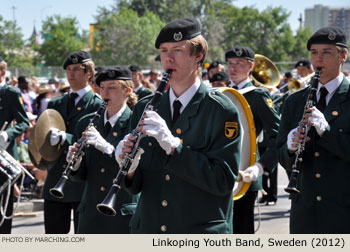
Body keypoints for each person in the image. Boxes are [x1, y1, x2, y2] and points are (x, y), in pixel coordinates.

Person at [115, 17, 241, 234]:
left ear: (198, 55)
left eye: (177, 50)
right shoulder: (145, 107)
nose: (168, 58)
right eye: (164, 51)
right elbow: (138, 186)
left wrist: (175, 148)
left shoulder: (221, 110)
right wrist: (130, 169)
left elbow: (223, 181)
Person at [276, 27, 349, 233]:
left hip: (342, 211)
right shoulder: (294, 101)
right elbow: (281, 155)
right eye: (314, 53)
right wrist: (290, 147)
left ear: (343, 56)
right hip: (305, 211)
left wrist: (326, 131)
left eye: (326, 52)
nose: (318, 59)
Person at [67, 67, 138, 233]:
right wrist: (75, 164)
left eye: (112, 87)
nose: (105, 93)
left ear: (127, 91)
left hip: (122, 212)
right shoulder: (85, 122)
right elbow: (81, 177)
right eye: (102, 87)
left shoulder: (136, 123)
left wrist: (107, 148)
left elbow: (137, 173)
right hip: (91, 213)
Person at [42, 51, 102, 234]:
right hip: (55, 178)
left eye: (77, 69)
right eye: (68, 69)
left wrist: (66, 138)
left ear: (89, 73)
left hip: (81, 181)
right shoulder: (55, 103)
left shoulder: (97, 104)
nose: (71, 74)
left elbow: (94, 141)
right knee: (53, 237)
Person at [225, 46, 280, 233]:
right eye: (230, 63)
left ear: (251, 66)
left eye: (239, 63)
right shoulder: (223, 93)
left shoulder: (258, 95)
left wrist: (262, 165)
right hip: (222, 168)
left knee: (242, 229)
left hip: (246, 168)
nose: (233, 68)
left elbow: (277, 133)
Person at [0, 56, 30, 233]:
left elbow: (24, 122)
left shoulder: (10, 94)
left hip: (3, 159)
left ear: (2, 72)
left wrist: (7, 134)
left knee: (2, 213)